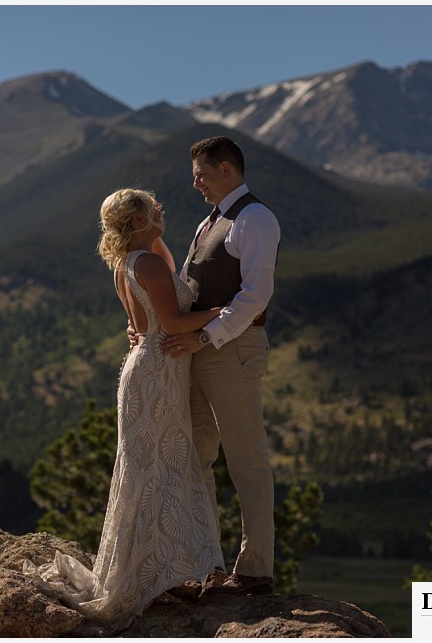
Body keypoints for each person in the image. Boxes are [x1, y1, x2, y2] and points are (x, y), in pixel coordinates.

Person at [24, 188, 224, 628]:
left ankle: (161, 570)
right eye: (154, 209)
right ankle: (158, 572)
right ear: (136, 221)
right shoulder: (147, 263)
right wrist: (226, 311)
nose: (162, 211)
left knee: (151, 468)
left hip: (148, 368)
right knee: (157, 469)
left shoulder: (129, 263)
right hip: (158, 370)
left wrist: (150, 231)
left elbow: (143, 317)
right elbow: (172, 323)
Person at [160, 136, 281, 596]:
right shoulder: (207, 223)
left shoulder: (255, 218)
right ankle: (205, 563)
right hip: (198, 349)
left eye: (202, 175)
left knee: (246, 458)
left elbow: (255, 295)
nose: (195, 183)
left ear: (227, 169)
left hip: (232, 349)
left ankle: (254, 572)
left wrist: (205, 337)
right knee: (196, 458)